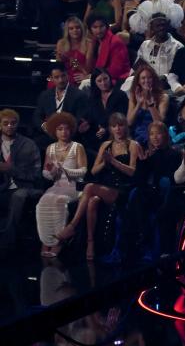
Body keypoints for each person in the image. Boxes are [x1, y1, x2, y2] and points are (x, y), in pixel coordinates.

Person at [58, 112, 140, 261]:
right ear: (110, 128)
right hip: (106, 186)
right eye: (114, 126)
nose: (118, 129)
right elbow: (94, 170)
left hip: (122, 189)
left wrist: (114, 162)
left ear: (125, 127)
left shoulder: (132, 145)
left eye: (120, 125)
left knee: (89, 187)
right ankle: (91, 244)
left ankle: (72, 226)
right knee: (92, 201)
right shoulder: (105, 145)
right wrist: (105, 162)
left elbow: (132, 172)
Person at [121, 122, 180, 262]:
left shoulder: (174, 154)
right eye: (152, 134)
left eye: (158, 133)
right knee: (136, 194)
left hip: (167, 196)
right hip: (150, 194)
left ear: (165, 135)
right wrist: (142, 162)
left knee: (139, 196)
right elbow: (139, 180)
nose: (155, 137)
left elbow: (170, 180)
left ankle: (144, 237)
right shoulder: (151, 156)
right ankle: (139, 239)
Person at [36, 112, 86, 257]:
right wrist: (52, 171)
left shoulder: (77, 147)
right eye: (59, 129)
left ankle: (59, 242)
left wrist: (65, 169)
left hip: (74, 187)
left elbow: (83, 171)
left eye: (66, 129)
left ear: (71, 130)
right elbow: (46, 173)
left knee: (59, 201)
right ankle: (46, 241)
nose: (63, 132)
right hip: (56, 186)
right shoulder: (50, 148)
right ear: (54, 131)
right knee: (43, 203)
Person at [0, 109, 42, 248]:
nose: (10, 126)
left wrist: (13, 170)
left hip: (23, 187)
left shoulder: (28, 145)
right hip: (3, 188)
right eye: (6, 123)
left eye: (13, 123)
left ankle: (7, 241)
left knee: (18, 196)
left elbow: (35, 175)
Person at [124, 10, 183, 91]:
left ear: (168, 25)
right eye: (157, 25)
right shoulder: (145, 45)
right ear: (152, 27)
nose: (161, 28)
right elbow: (136, 69)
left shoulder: (177, 47)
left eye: (163, 25)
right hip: (146, 86)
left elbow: (177, 74)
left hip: (168, 89)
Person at [33, 63, 87, 141]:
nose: (61, 80)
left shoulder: (79, 95)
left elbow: (79, 119)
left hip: (71, 136)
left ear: (67, 75)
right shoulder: (45, 95)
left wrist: (64, 131)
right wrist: (44, 125)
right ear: (51, 78)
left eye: (63, 76)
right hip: (49, 135)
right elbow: (37, 116)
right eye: (56, 77)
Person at [81, 67, 127, 157]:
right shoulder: (93, 98)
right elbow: (90, 118)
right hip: (97, 134)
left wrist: (106, 129)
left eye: (105, 79)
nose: (104, 83)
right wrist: (86, 124)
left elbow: (123, 118)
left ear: (110, 78)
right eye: (99, 81)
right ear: (95, 83)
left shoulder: (120, 95)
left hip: (115, 133)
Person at [126, 64, 169, 145]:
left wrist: (151, 105)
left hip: (156, 137)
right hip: (137, 137)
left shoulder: (163, 97)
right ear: (138, 80)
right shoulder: (133, 96)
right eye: (143, 78)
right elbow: (129, 122)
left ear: (154, 79)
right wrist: (138, 104)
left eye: (149, 77)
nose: (146, 80)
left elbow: (160, 123)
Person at [88, 14, 131, 85]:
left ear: (107, 27)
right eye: (95, 27)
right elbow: (85, 66)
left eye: (101, 26)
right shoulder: (92, 42)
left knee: (85, 83)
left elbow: (116, 70)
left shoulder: (115, 42)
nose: (98, 30)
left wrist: (93, 76)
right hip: (83, 75)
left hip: (116, 79)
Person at [54, 15, 93, 86]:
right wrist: (60, 58)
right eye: (71, 28)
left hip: (80, 75)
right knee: (52, 83)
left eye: (77, 27)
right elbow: (58, 67)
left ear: (81, 29)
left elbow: (87, 70)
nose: (75, 30)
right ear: (67, 31)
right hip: (64, 75)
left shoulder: (89, 43)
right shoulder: (61, 43)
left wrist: (72, 60)